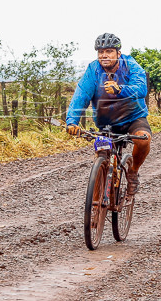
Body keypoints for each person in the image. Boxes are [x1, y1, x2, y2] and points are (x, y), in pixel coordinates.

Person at [65, 33, 151, 196]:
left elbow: (141, 88)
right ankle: (97, 205)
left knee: (143, 139)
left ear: (118, 53)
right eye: (101, 52)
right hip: (106, 122)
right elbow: (81, 95)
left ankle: (133, 172)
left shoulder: (130, 64)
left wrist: (120, 89)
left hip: (133, 118)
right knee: (102, 153)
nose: (104, 55)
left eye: (109, 51)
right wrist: (72, 122)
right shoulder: (93, 70)